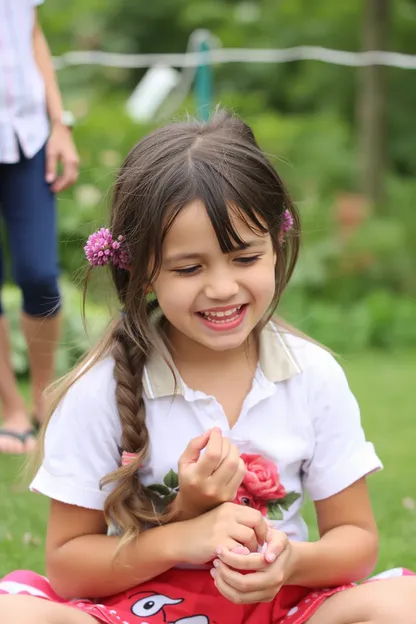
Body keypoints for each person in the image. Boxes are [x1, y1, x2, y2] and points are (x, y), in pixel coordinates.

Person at [0, 111, 414, 624]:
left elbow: (357, 541)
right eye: (189, 268)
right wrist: (184, 532)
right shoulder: (101, 388)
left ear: (275, 246)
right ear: (143, 272)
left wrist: (290, 561)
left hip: (279, 607)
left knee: (404, 604)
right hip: (144, 610)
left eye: (244, 258)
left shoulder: (313, 375)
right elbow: (67, 567)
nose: (221, 288)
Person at [0, 0, 79, 454]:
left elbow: (31, 31)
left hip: (28, 135)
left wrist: (59, 123)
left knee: (38, 274)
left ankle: (43, 400)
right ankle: (11, 410)